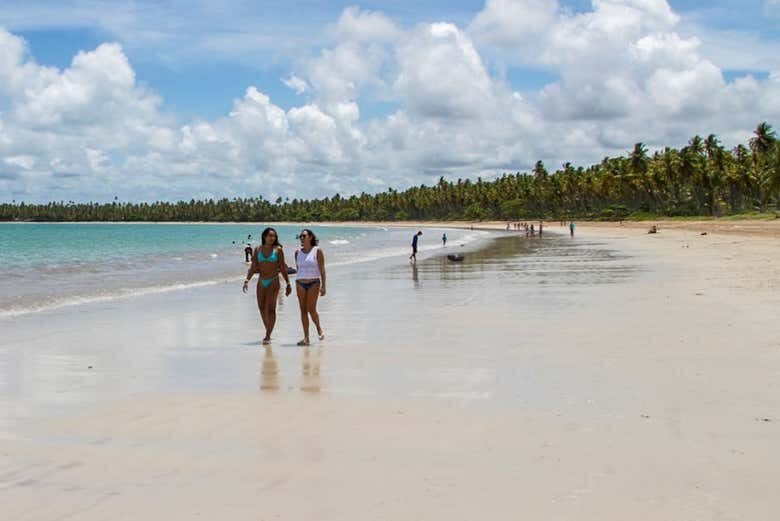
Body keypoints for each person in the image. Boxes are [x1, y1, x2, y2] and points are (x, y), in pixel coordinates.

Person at [243, 227, 292, 345]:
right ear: (264, 236)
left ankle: (268, 335)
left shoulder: (278, 250)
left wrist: (288, 283)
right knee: (261, 307)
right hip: (261, 281)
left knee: (271, 309)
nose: (272, 238)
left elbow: (282, 268)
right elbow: (253, 267)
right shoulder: (257, 249)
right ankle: (268, 329)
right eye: (270, 236)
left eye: (274, 236)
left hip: (273, 281)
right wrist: (247, 280)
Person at [295, 229, 326, 346]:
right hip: (300, 283)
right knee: (303, 310)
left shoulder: (317, 251)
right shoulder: (297, 252)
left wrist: (324, 286)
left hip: (314, 283)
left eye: (304, 236)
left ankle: (318, 328)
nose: (302, 238)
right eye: (300, 236)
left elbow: (322, 269)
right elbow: (298, 269)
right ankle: (306, 338)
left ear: (310, 237)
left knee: (311, 309)